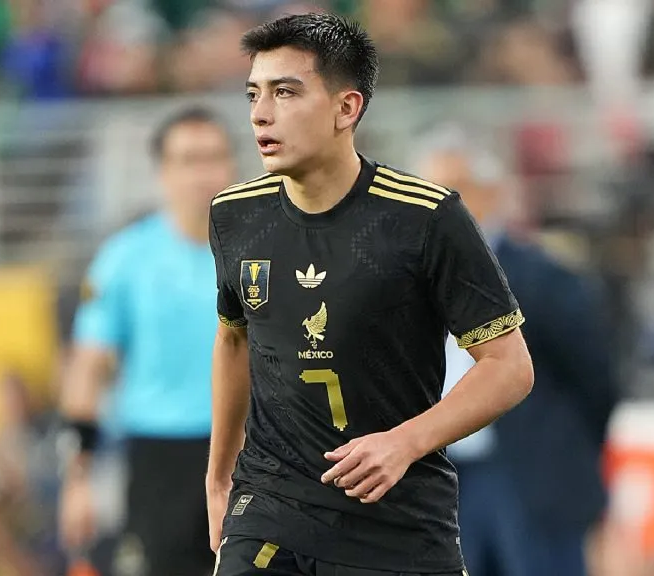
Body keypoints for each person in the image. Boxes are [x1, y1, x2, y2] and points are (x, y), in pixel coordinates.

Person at [206, 13, 535, 576]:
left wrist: (404, 443)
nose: (261, 113)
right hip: (270, 510)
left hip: (396, 527)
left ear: (346, 108)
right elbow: (234, 340)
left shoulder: (426, 217)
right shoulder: (235, 213)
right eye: (254, 94)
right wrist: (218, 476)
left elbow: (509, 366)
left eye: (286, 92)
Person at [421, 128, 618, 576]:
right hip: (446, 472)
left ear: (492, 193)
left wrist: (566, 450)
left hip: (529, 473)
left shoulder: (544, 278)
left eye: (454, 191)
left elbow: (594, 377)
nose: (437, 209)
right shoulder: (412, 278)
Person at [58, 106, 237, 576]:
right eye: (189, 160)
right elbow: (89, 368)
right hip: (160, 456)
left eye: (214, 158)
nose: (204, 174)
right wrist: (78, 480)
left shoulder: (261, 251)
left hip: (249, 449)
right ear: (163, 172)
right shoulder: (124, 259)